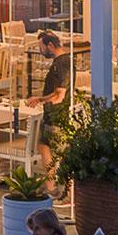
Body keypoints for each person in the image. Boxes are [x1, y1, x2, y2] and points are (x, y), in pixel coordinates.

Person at [34, 30, 71, 171]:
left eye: (41, 47)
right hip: (55, 114)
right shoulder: (66, 61)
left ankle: (60, 186)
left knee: (59, 152)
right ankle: (52, 185)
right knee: (44, 146)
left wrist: (41, 100)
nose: (41, 51)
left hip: (56, 115)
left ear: (50, 45)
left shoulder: (61, 64)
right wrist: (40, 99)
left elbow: (59, 94)